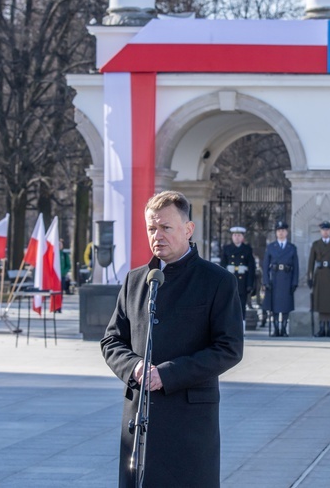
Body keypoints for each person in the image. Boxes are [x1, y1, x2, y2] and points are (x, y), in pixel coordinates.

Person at [101, 190, 243, 488]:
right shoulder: (136, 280)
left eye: (166, 227)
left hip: (189, 420)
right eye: (152, 228)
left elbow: (229, 348)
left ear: (188, 229)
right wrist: (135, 368)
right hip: (140, 417)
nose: (158, 235)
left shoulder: (217, 281)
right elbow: (112, 341)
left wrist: (166, 374)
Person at [262, 220, 299, 337]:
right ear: (276, 233)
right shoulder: (271, 247)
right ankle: (276, 328)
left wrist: (294, 282)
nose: (281, 233)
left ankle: (283, 328)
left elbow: (296, 267)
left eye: (283, 230)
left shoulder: (292, 247)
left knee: (286, 306)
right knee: (274, 307)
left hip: (287, 278)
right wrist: (266, 281)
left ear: (286, 232)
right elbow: (265, 266)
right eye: (279, 231)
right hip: (275, 279)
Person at [308, 221, 330, 338]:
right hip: (320, 275)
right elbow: (311, 263)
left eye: (327, 230)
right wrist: (310, 277)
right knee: (320, 304)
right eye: (323, 230)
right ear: (320, 231)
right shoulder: (316, 244)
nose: (325, 232)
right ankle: (321, 328)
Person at [220, 226, 256, 315]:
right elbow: (222, 266)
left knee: (241, 307)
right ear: (232, 237)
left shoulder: (247, 249)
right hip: (229, 281)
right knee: (228, 306)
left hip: (242, 282)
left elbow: (251, 268)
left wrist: (250, 284)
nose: (237, 237)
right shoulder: (226, 249)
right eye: (235, 235)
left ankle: (242, 326)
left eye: (239, 235)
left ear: (242, 237)